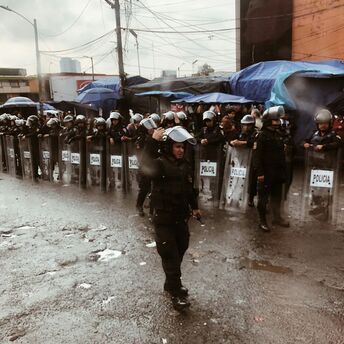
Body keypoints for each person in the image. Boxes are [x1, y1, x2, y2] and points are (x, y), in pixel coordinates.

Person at [142, 126, 201, 311]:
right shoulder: (159, 164)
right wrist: (153, 140)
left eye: (182, 147)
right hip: (164, 218)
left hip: (180, 217)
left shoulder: (185, 165)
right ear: (169, 147)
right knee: (170, 256)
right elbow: (144, 165)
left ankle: (170, 283)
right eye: (177, 147)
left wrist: (195, 207)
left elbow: (190, 189)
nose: (181, 150)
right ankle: (176, 294)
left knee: (181, 248)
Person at [253, 106, 290, 232]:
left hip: (277, 172)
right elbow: (256, 157)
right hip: (266, 172)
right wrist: (260, 173)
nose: (278, 121)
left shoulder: (279, 134)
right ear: (269, 121)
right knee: (263, 198)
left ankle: (277, 218)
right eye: (276, 120)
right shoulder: (261, 136)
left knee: (276, 196)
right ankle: (262, 221)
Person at [231, 114, 258, 207]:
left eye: (248, 125)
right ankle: (237, 196)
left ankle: (250, 198)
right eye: (244, 125)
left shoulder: (256, 133)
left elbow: (253, 142)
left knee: (251, 179)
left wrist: (241, 142)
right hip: (240, 158)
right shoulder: (240, 133)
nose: (246, 127)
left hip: (251, 159)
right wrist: (232, 142)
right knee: (239, 177)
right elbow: (232, 138)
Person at [135, 117, 157, 217]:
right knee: (144, 187)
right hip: (145, 166)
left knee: (155, 188)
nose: (152, 128)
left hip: (155, 165)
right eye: (149, 127)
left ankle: (153, 209)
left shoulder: (153, 137)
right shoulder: (143, 138)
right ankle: (139, 205)